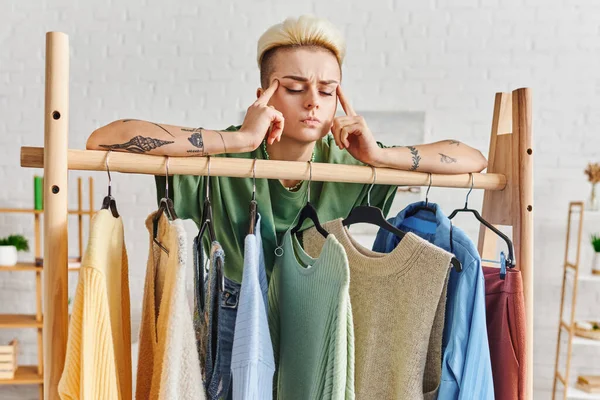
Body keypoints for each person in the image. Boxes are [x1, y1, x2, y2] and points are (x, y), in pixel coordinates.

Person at [86, 14, 488, 397]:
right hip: (232, 319)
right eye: (295, 88)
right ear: (264, 94)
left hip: (316, 323)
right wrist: (240, 140)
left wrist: (381, 157)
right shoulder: (224, 155)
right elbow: (105, 138)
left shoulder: (351, 164)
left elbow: (473, 159)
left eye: (327, 90)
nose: (313, 102)